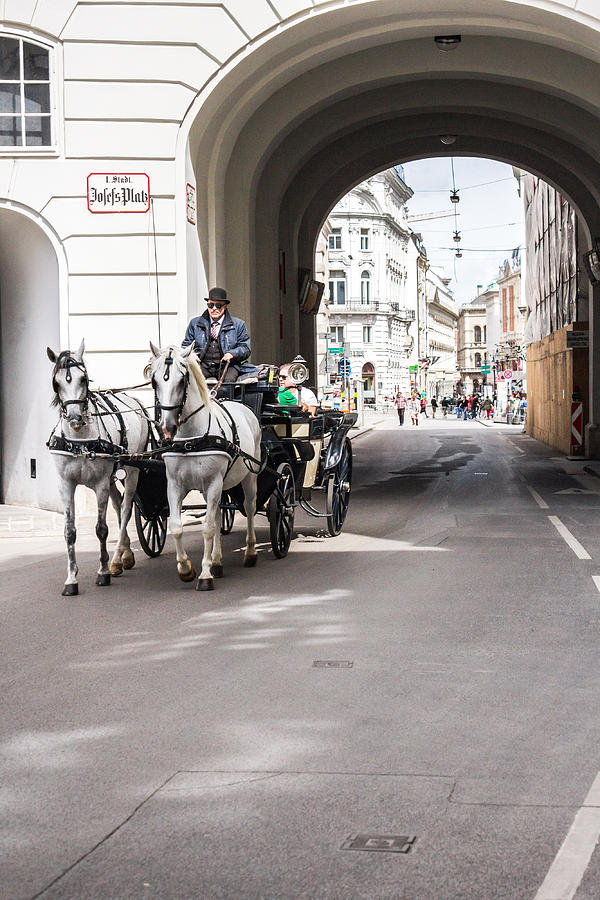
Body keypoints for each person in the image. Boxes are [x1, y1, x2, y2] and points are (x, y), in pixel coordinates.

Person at [182, 287, 256, 383]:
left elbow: (245, 348)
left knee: (228, 385)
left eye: (218, 306)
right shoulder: (195, 323)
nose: (214, 308)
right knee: (192, 381)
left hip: (228, 365)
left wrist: (232, 354)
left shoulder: (238, 325)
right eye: (211, 305)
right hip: (202, 364)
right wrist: (191, 354)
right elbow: (186, 345)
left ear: (225, 306)